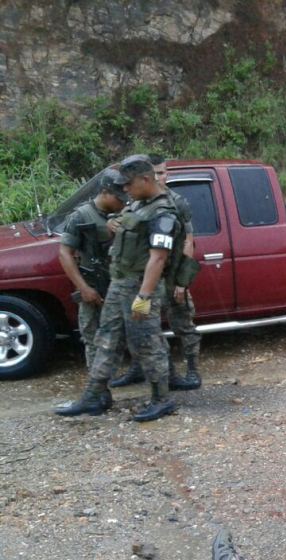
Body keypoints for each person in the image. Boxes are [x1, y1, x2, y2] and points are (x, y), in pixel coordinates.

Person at [54, 158, 183, 422]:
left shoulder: (163, 212)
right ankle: (93, 396)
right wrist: (113, 221)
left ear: (145, 179)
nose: (125, 190)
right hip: (119, 283)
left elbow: (158, 258)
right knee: (106, 339)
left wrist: (144, 296)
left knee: (147, 342)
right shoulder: (138, 204)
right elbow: (124, 222)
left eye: (129, 184)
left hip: (140, 286)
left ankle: (162, 399)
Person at [109, 154, 202, 391]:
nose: (159, 177)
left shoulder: (175, 203)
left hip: (170, 275)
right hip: (149, 277)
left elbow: (188, 241)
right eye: (156, 173)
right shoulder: (140, 200)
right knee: (145, 328)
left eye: (162, 173)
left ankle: (192, 370)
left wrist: (181, 283)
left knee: (182, 322)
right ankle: (141, 368)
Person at [58, 169, 130, 376]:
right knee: (92, 337)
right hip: (93, 286)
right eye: (119, 198)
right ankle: (98, 381)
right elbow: (65, 253)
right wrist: (83, 288)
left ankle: (122, 374)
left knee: (123, 334)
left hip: (119, 284)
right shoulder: (80, 216)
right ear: (105, 192)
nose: (123, 202)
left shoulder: (125, 213)